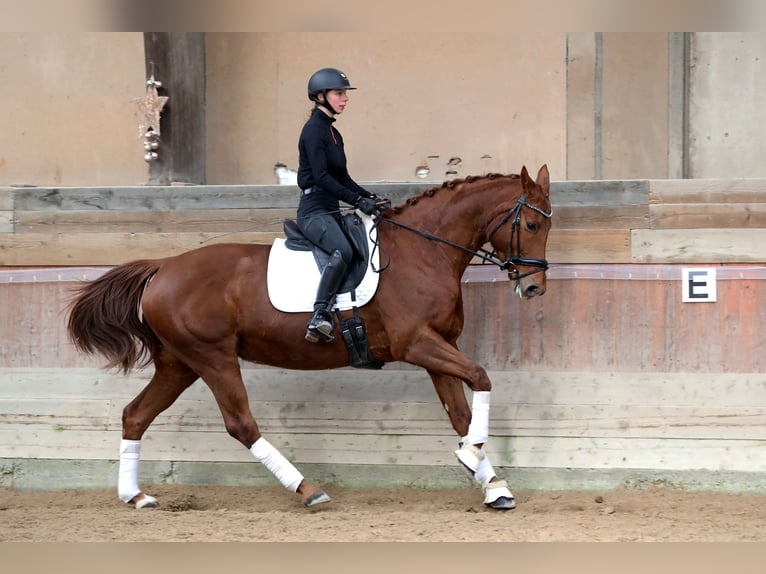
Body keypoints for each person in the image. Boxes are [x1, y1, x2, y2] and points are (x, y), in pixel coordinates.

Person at [296, 67, 387, 343]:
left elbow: (343, 178)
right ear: (321, 96)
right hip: (314, 211)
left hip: (330, 208)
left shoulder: (333, 133)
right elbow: (321, 177)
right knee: (343, 250)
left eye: (345, 94)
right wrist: (357, 201)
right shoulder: (313, 131)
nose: (345, 99)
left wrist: (370, 198)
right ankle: (319, 314)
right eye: (339, 94)